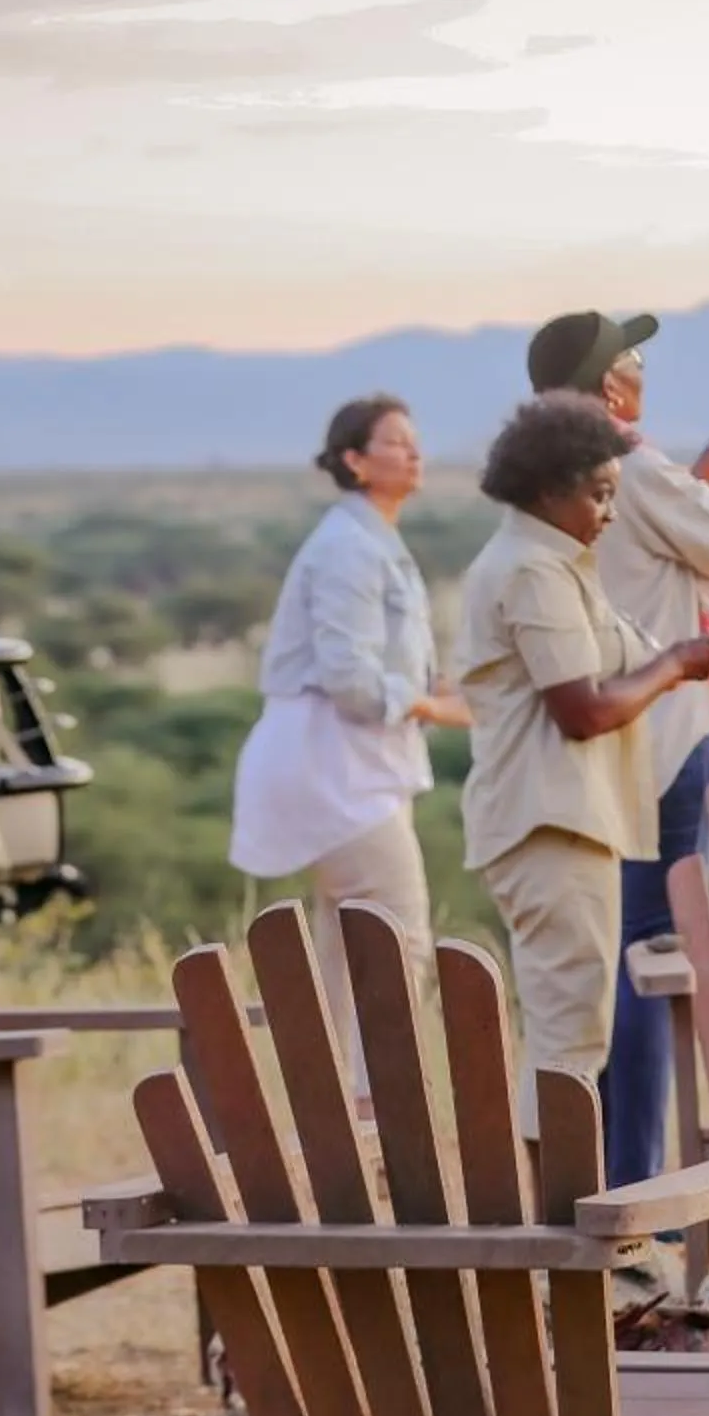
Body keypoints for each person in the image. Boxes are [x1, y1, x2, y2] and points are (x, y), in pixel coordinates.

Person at [521, 309, 709, 1187]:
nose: (642, 369)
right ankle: (643, 1184)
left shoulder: (552, 477)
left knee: (616, 953)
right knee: (654, 957)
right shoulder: (628, 464)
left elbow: (659, 552)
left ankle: (612, 1172)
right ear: (607, 387)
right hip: (668, 742)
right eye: (631, 359)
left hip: (599, 742)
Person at [453, 391, 709, 1134]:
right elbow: (582, 710)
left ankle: (564, 1222)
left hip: (570, 822)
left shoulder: (559, 562)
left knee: (579, 1027)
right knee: (567, 1038)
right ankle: (554, 1229)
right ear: (551, 490)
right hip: (547, 820)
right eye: (601, 494)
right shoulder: (532, 573)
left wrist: (687, 651)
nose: (611, 513)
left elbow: (627, 653)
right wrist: (676, 666)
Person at [228, 394, 467, 1111]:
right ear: (355, 461)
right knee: (399, 936)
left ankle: (336, 1114)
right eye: (395, 442)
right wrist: (432, 706)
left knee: (345, 947)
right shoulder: (348, 548)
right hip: (333, 769)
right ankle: (380, 1108)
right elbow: (351, 680)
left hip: (344, 767)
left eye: (415, 441)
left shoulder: (372, 541)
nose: (413, 452)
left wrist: (440, 686)